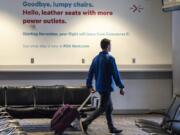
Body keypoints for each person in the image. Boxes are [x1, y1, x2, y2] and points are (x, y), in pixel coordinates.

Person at [80, 38, 125, 134]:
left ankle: (111, 128)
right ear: (108, 46)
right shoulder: (110, 58)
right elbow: (115, 74)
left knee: (109, 107)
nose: (111, 47)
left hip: (99, 87)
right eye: (110, 45)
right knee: (103, 108)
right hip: (106, 87)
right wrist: (121, 86)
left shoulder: (95, 58)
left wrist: (89, 85)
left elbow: (90, 73)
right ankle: (85, 123)